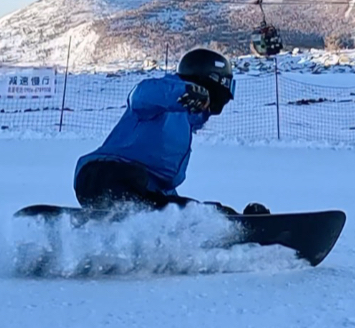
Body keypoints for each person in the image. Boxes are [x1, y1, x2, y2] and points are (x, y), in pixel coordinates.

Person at [73, 47, 269, 216]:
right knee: (145, 191)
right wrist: (183, 91)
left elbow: (163, 197)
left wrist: (212, 216)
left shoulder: (185, 123)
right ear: (210, 82)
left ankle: (234, 226)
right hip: (102, 174)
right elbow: (141, 95)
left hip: (141, 188)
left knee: (185, 214)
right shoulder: (162, 102)